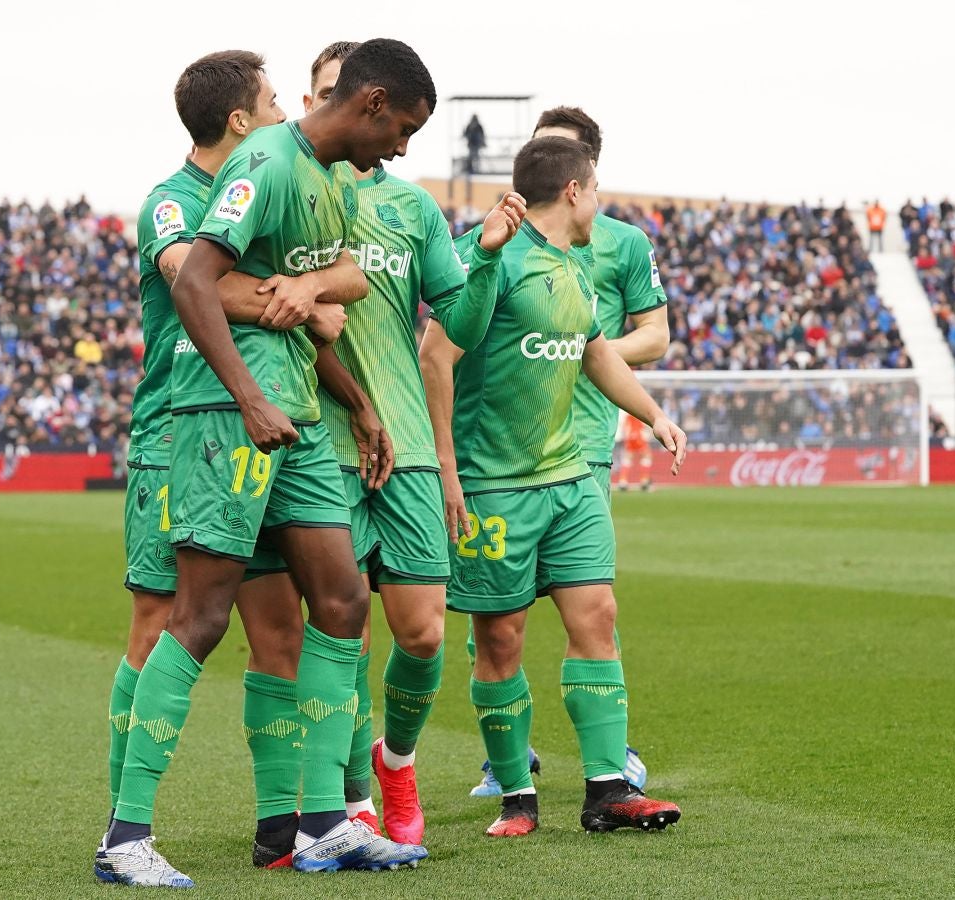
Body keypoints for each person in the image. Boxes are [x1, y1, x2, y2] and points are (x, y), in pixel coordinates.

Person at [100, 38, 438, 885]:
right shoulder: (265, 162)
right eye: (402, 127)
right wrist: (249, 394)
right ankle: (125, 837)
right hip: (224, 416)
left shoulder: (327, 180)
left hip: (295, 418)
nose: (402, 147)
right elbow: (194, 283)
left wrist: (352, 392)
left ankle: (323, 821)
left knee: (341, 599)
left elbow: (344, 277)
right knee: (200, 617)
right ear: (369, 105)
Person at [292, 41, 526, 846]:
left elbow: (455, 323)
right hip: (322, 440)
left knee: (424, 631)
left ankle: (395, 759)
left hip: (410, 445)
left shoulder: (414, 208)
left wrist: (486, 261)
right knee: (342, 624)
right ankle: (350, 797)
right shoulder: (294, 187)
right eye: (322, 89)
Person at [420, 135, 686, 838]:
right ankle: (516, 796)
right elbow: (435, 353)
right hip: (493, 487)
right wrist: (447, 469)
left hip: (569, 479)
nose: (599, 202)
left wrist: (653, 414)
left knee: (596, 615)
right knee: (500, 638)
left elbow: (596, 351)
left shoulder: (574, 266)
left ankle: (607, 791)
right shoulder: (492, 256)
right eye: (595, 189)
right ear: (573, 191)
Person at [616, 412, 653, 491]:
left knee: (628, 458)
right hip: (638, 435)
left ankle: (623, 481)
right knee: (646, 455)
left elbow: (624, 425)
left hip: (630, 436)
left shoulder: (625, 412)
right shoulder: (636, 409)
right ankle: (644, 481)